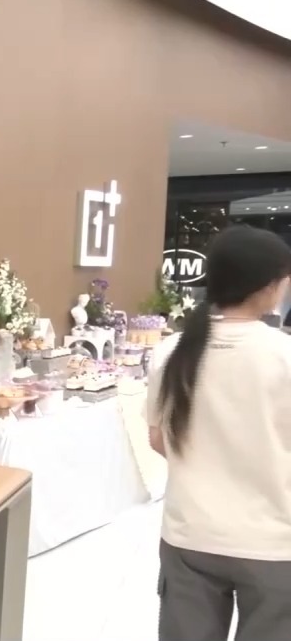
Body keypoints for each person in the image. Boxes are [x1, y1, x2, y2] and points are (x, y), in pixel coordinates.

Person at [146, 226, 291, 641]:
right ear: (269, 286)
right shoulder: (284, 354)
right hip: (274, 541)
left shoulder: (171, 351)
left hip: (189, 534)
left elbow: (158, 439)